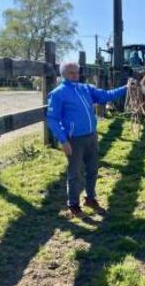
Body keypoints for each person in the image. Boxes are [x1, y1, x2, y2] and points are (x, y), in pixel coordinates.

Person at [46, 61, 128, 218]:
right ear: (63, 74)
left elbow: (105, 96)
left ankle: (90, 198)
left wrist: (126, 88)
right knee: (75, 172)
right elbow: (52, 119)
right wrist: (63, 140)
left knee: (92, 169)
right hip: (74, 140)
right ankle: (73, 204)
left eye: (77, 72)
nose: (75, 75)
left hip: (91, 136)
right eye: (71, 72)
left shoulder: (85, 88)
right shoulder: (58, 93)